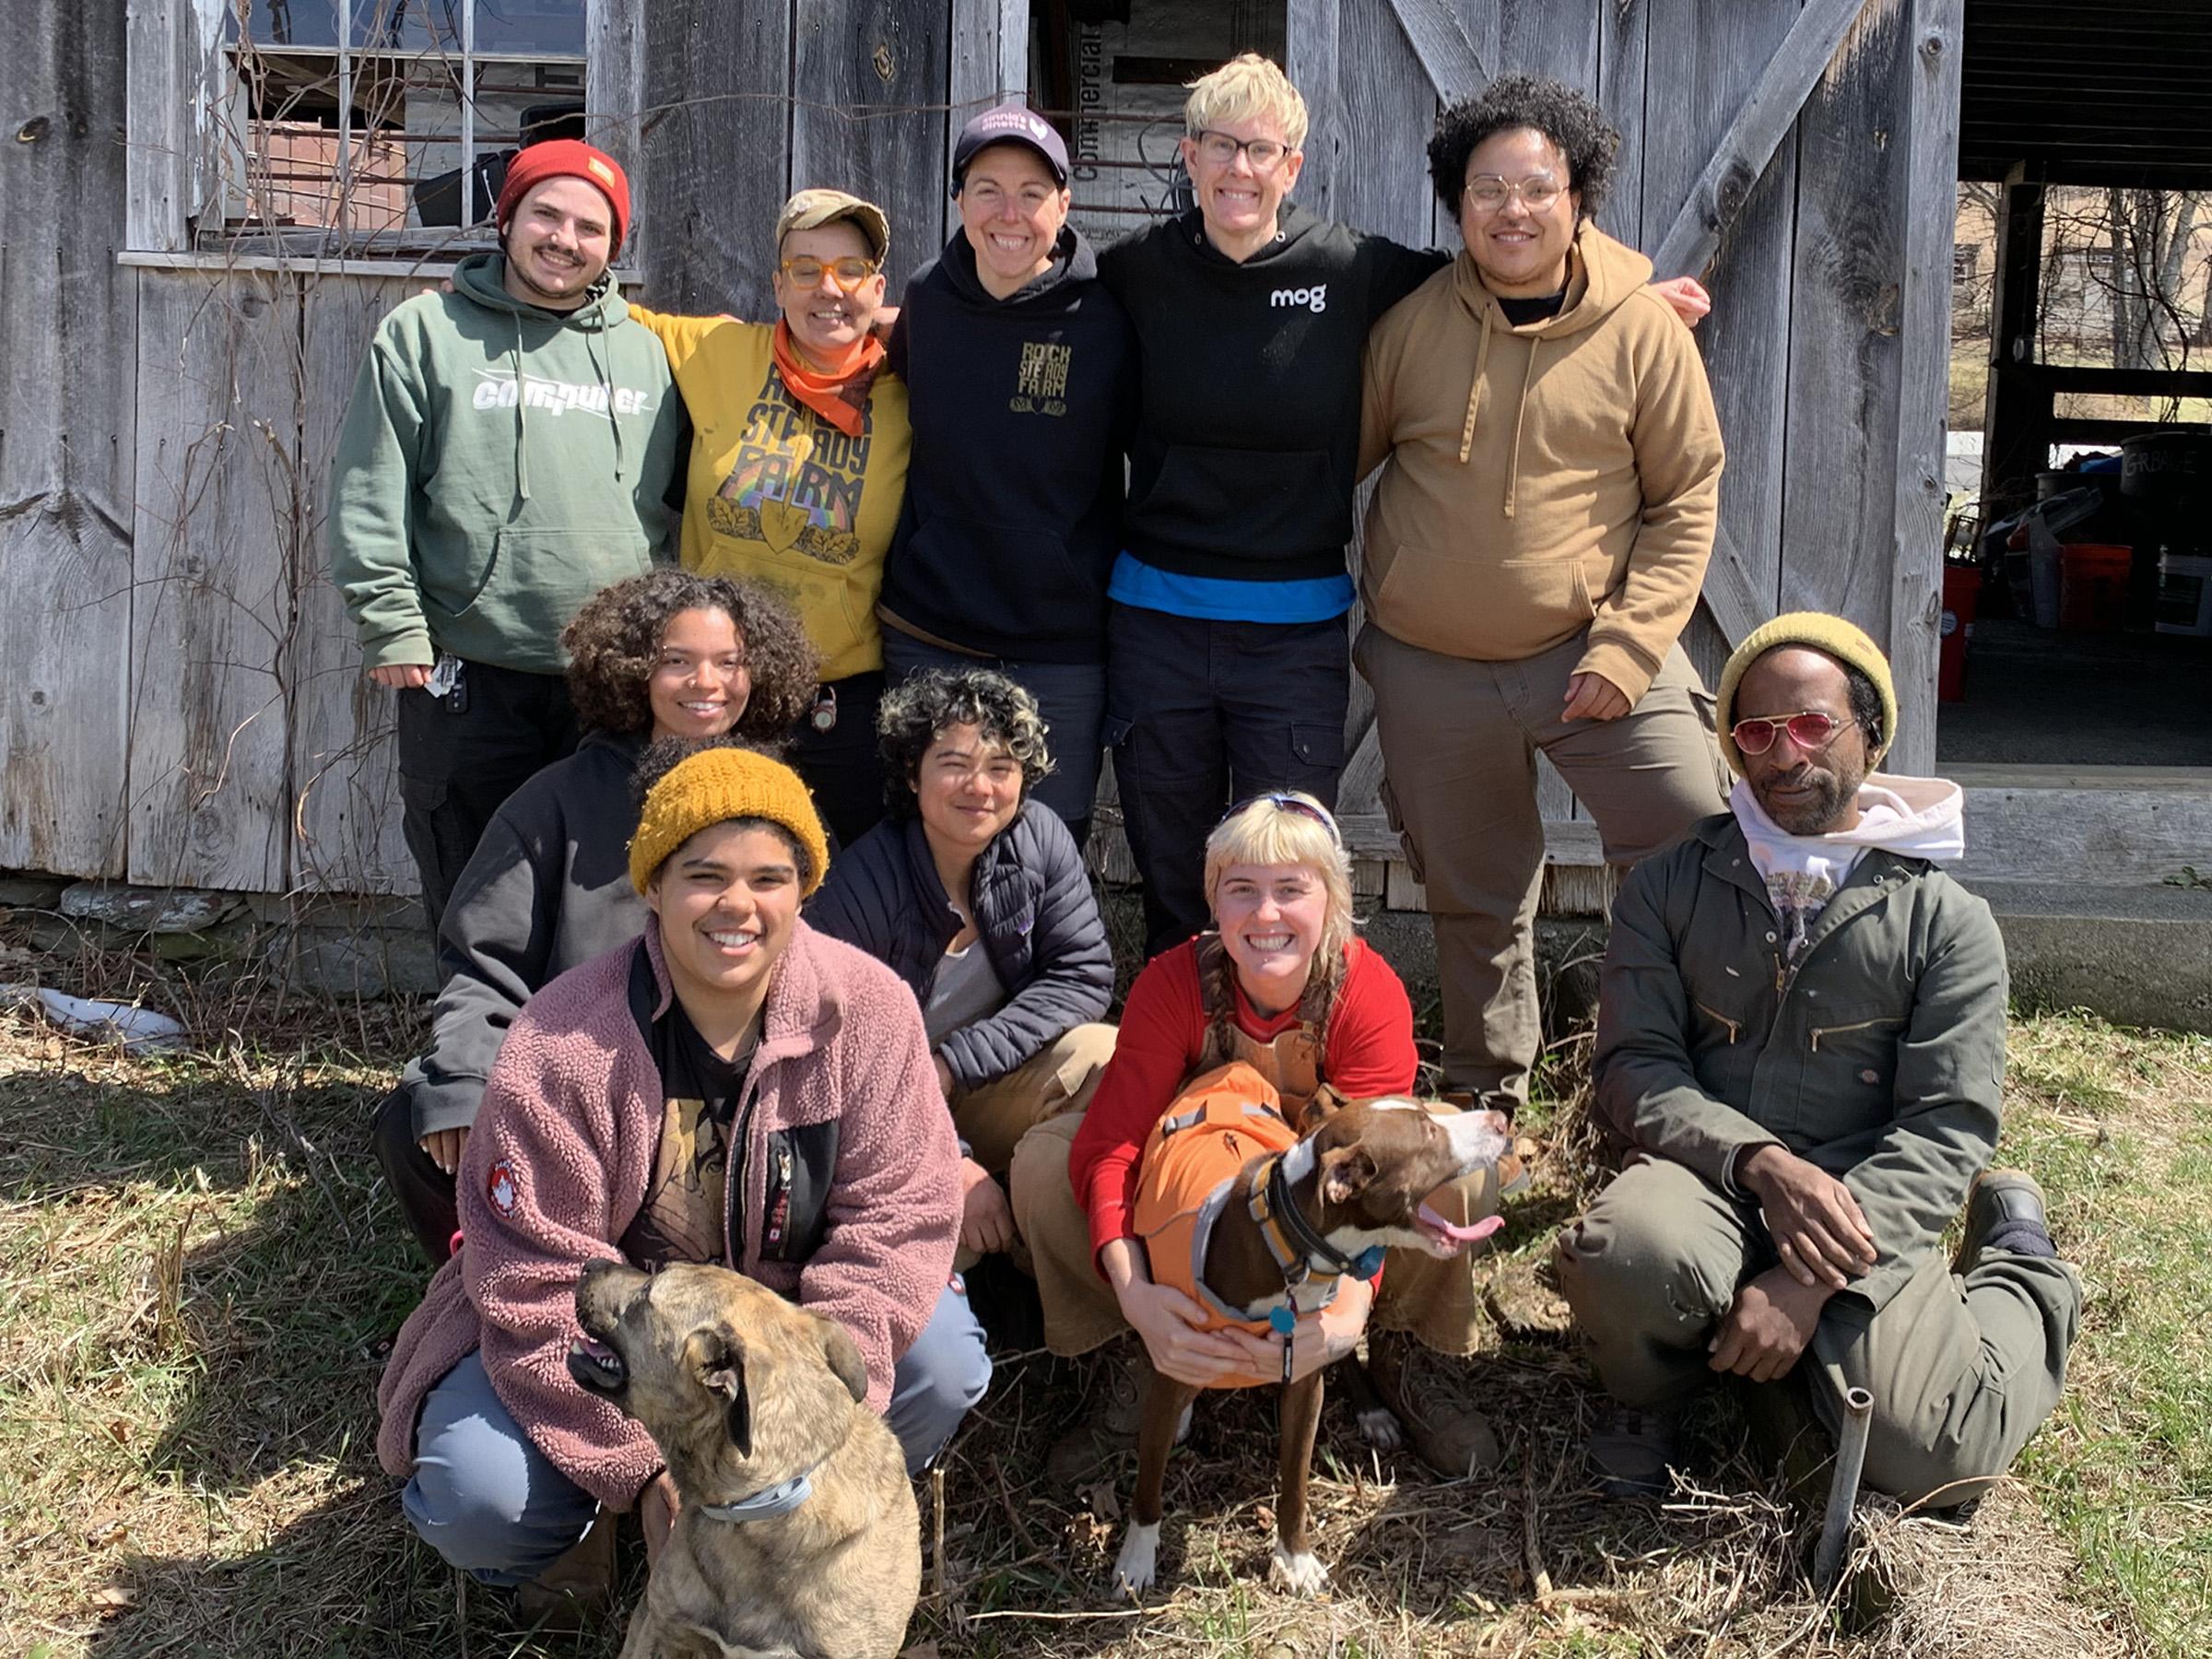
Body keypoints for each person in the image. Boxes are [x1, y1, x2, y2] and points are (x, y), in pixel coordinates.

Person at [1097, 55, 1710, 959]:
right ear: (1188, 157)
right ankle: (1181, 1053)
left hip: (1292, 633)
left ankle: (1285, 1058)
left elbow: (1513, 278)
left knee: (1286, 864)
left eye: (1262, 148)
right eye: (1221, 145)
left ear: (1292, 166)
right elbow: (1041, 323)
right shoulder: (1132, 272)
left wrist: (1620, 306)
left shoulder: (1346, 269)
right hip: (1158, 619)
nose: (1240, 167)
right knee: (1171, 861)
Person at [374, 745, 986, 1615]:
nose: (738, 904)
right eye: (705, 875)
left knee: (940, 1365)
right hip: (613, 1342)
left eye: (770, 877)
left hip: (791, 1327)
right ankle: (588, 1530)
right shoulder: (562, 1041)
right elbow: (534, 1277)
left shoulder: (872, 1012)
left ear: (804, 890)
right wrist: (648, 1465)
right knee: (480, 1499)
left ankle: (786, 1531)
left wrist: (795, 1414)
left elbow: (899, 1221)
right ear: (653, 887)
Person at [1554, 614, 2081, 1504]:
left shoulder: (1945, 920)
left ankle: (2022, 1262)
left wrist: (1807, 1282)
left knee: (1938, 1459)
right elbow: (1634, 1065)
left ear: (1869, 736)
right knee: (1628, 1256)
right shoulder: (1668, 883)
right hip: (1712, 1175)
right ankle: (1654, 1396)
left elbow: (1946, 1125)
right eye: (1756, 733)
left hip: (1860, 1201)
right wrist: (1759, 1164)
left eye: (1811, 725)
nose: (1783, 754)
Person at [1355, 75, 1732, 1113]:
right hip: (1431, 667)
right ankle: (1487, 1104)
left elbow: (1686, 495)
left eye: (1535, 186)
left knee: (1692, 842)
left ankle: (1663, 1086)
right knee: (1474, 897)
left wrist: (1630, 646)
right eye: (1486, 189)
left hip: (1592, 647)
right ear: (1457, 202)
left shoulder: (1640, 329)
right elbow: (1327, 462)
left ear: (1578, 197)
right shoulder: (1411, 329)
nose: (1511, 210)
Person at [1028, 794, 1521, 1480]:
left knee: (1459, 1174)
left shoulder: (1367, 993)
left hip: (1325, 1219)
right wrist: (1137, 1296)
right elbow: (1111, 1145)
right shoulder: (1174, 984)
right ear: (1214, 903)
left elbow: (1379, 1183)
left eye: (1291, 890)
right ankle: (1141, 1361)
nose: (1266, 915)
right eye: (1241, 891)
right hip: (1202, 1213)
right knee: (1046, 1164)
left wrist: (1343, 1317)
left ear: (1331, 901)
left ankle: (1402, 1354)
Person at [371, 570, 818, 1265]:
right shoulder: (555, 803)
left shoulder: (781, 803)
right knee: (420, 1120)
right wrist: (463, 1079)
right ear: (633, 670)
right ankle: (501, 1277)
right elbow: (484, 964)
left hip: (730, 1099)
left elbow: (833, 967)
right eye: (678, 660)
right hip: (581, 1094)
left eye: (729, 663)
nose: (708, 683)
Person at [329, 139, 688, 930]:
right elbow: (370, 484)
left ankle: (586, 1050)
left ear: (613, 246)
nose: (565, 238)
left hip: (611, 676)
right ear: (508, 219)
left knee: (601, 896)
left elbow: (680, 504)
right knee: (473, 889)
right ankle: (473, 1051)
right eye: (546, 215)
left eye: (590, 227)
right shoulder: (426, 333)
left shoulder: (649, 352)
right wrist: (391, 624)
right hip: (467, 673)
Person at [878, 106, 1137, 849]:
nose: (1009, 214)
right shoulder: (927, 300)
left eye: (1031, 191)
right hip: (929, 626)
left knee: (1047, 846)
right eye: (987, 189)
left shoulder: (1106, 319)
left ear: (1065, 204)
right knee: (922, 840)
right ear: (959, 201)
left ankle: (1038, 972)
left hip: (1057, 640)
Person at [807, 668, 1117, 1281]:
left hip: (976, 1083)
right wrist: (954, 1162)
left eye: (1001, 766)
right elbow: (837, 1067)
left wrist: (955, 1063)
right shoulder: (862, 889)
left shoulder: (1037, 841)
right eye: (953, 763)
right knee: (954, 1246)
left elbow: (1081, 974)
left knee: (1103, 1056)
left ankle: (1053, 1276)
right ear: (911, 773)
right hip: (876, 1114)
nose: (980, 787)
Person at [628, 189, 908, 850]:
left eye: (850, 271)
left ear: (878, 286)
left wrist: (910, 323)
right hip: (715, 693)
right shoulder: (718, 352)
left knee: (845, 892)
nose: (827, 289)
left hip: (836, 701)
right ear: (778, 286)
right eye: (806, 270)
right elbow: (597, 314)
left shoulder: (911, 386)